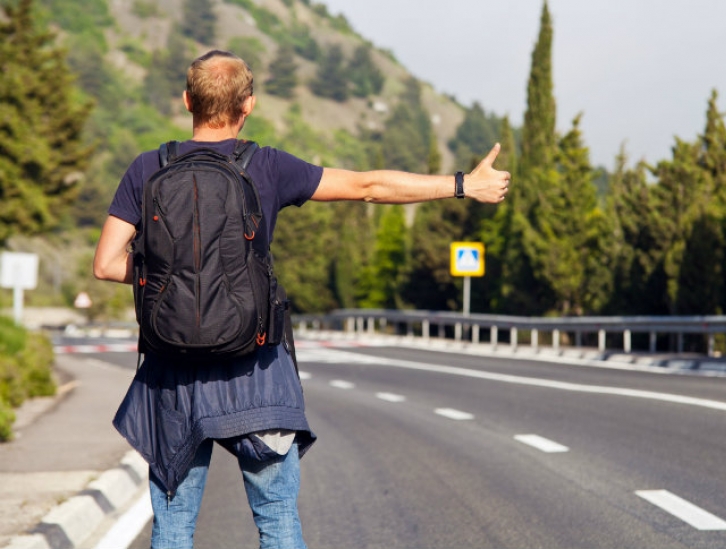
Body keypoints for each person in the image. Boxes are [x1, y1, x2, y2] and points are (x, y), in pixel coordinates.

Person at [93, 49, 510, 549]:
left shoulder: (147, 169)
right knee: (277, 520)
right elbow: (369, 186)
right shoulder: (266, 166)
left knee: (175, 527)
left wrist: (174, 277)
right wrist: (465, 184)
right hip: (257, 375)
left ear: (187, 101)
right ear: (249, 105)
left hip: (172, 379)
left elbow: (106, 264)